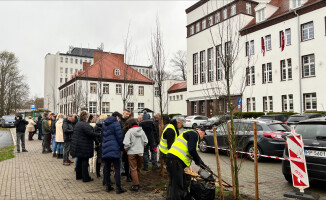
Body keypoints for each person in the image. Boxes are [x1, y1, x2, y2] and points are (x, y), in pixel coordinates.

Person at [166, 126, 209, 200]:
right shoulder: (194, 134)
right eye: (203, 135)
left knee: (175, 183)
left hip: (172, 159)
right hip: (175, 160)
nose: (202, 138)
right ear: (202, 132)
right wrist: (199, 162)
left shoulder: (189, 133)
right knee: (177, 185)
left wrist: (201, 163)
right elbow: (192, 150)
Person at [70, 110, 100, 182]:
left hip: (78, 145)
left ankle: (79, 176)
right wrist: (99, 135)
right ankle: (86, 178)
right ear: (86, 117)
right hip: (84, 146)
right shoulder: (85, 125)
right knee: (84, 162)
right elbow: (91, 134)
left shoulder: (78, 124)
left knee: (79, 161)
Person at [102, 111, 126, 194]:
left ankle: (108, 186)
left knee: (107, 168)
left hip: (106, 148)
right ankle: (118, 188)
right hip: (114, 148)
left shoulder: (105, 124)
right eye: (119, 118)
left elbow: (103, 136)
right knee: (117, 168)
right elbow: (119, 137)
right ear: (117, 117)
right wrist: (122, 148)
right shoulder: (116, 124)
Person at [123, 118, 148, 192]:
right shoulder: (142, 131)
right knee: (139, 168)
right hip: (140, 152)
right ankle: (138, 183)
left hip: (131, 152)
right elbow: (146, 141)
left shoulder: (129, 132)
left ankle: (136, 185)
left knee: (133, 168)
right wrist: (141, 146)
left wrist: (127, 149)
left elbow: (126, 143)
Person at [120, 109, 131, 181]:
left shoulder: (129, 121)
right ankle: (122, 171)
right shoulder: (120, 122)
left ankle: (126, 173)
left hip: (128, 143)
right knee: (122, 159)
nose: (128, 115)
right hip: (122, 142)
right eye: (126, 114)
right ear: (123, 113)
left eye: (128, 114)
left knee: (126, 159)